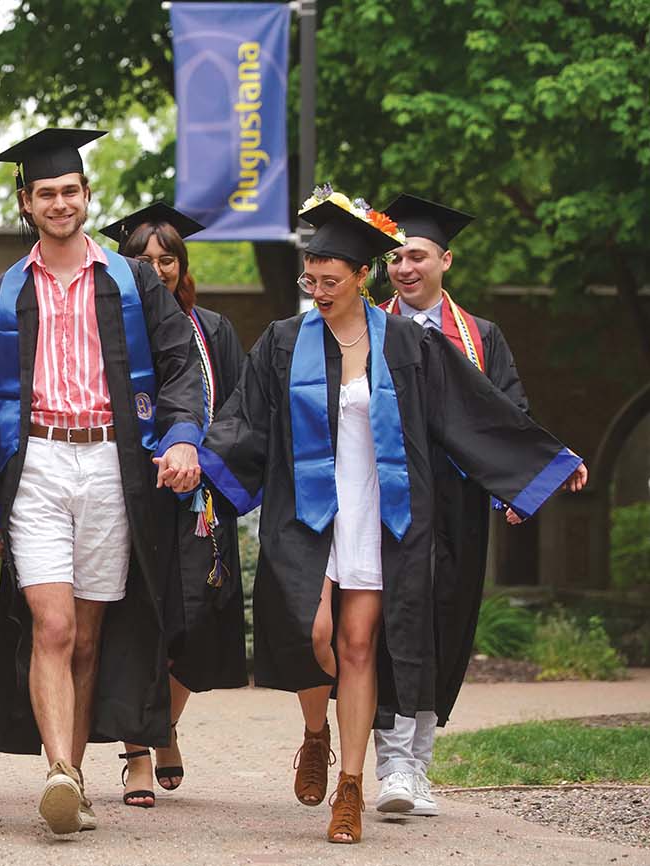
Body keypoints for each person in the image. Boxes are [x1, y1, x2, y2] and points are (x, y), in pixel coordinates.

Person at [199, 187, 588, 844]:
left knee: (357, 647)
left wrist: (541, 464)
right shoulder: (284, 342)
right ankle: (316, 733)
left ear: (359, 276)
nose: (317, 291)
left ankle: (350, 789)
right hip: (308, 516)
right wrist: (197, 468)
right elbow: (246, 421)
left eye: (329, 280)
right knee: (312, 633)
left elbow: (474, 412)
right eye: (309, 279)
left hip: (383, 516)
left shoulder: (408, 346)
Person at [0, 129, 205, 835]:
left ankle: (71, 777)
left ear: (87, 196)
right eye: (46, 193)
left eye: (71, 190)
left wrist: (185, 435)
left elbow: (179, 367)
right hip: (37, 461)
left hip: (111, 464)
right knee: (54, 621)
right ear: (26, 203)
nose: (61, 202)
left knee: (91, 633)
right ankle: (60, 772)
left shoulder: (129, 283)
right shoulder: (1, 295)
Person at [370, 194, 529, 818]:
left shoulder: (482, 338)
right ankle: (390, 766)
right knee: (389, 625)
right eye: (394, 259)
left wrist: (522, 484)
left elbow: (509, 416)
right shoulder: (366, 330)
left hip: (458, 503)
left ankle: (420, 766)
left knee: (446, 623)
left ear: (446, 261)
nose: (404, 269)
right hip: (388, 500)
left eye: (417, 256)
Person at [100, 202, 248, 808]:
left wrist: (209, 466)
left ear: (182, 266)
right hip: (131, 495)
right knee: (136, 622)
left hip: (198, 498)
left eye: (168, 259)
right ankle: (139, 752)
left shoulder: (212, 329)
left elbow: (238, 409)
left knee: (196, 624)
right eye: (143, 258)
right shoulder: (111, 327)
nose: (156, 268)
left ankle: (164, 724)